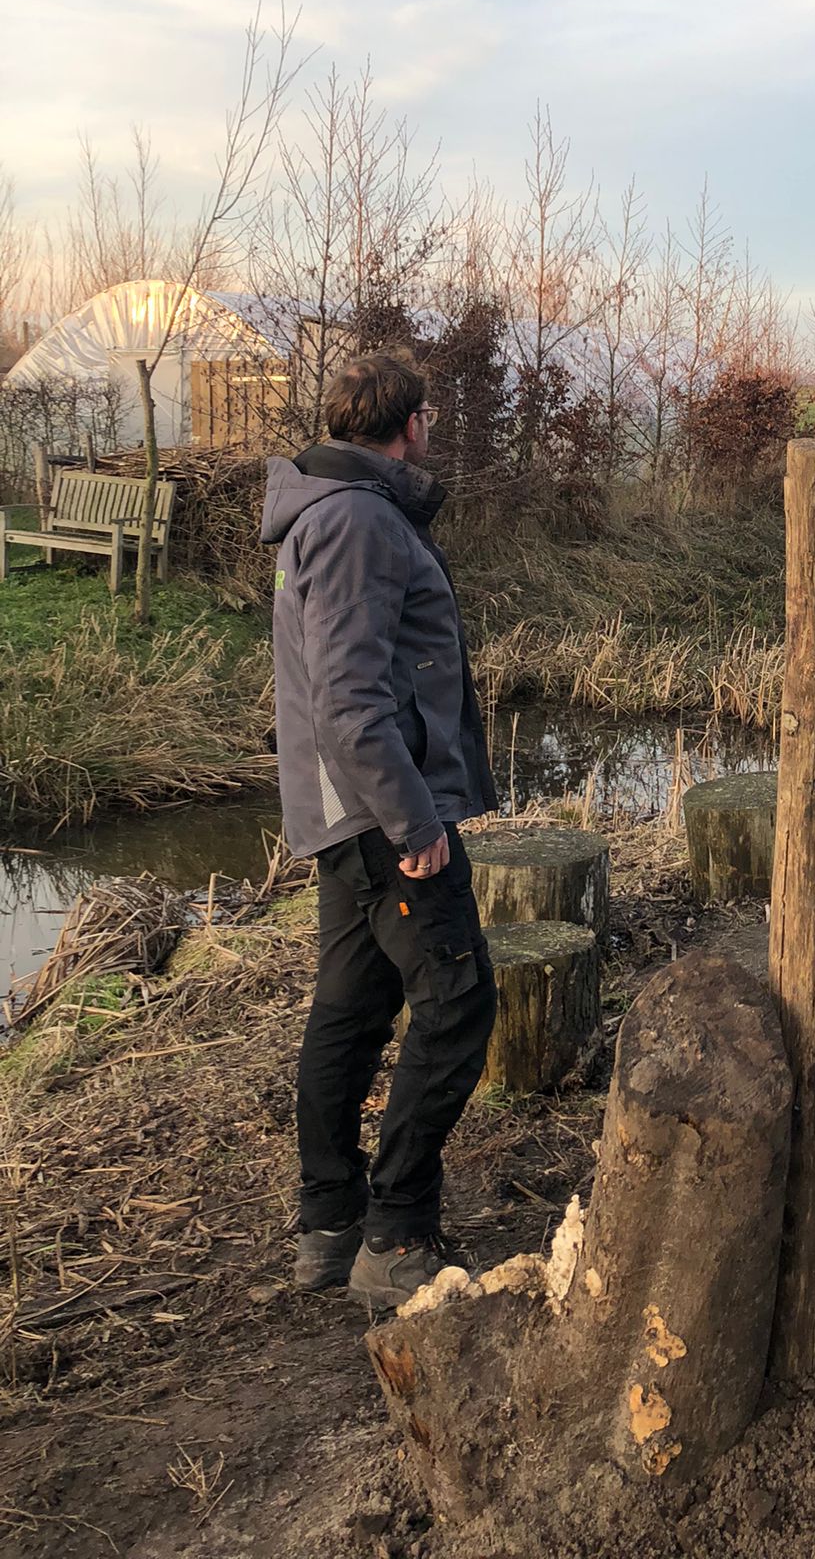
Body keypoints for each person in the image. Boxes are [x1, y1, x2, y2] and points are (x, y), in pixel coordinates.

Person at [261, 350, 499, 1308]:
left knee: (352, 1010)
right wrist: (413, 821)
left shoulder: (328, 510)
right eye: (428, 416)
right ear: (412, 424)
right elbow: (350, 700)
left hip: (347, 808)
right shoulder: (359, 520)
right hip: (377, 811)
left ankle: (329, 1227)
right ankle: (395, 1236)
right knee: (458, 1002)